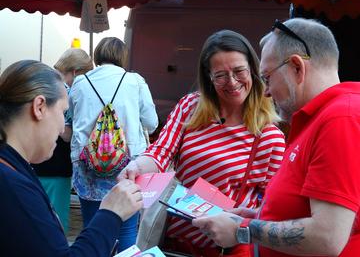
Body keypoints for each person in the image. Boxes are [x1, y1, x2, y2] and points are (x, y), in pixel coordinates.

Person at [192, 18, 360, 257]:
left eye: (267, 78)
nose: (267, 92)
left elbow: (327, 237)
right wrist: (261, 215)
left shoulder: (340, 119)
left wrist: (244, 230)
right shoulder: (324, 118)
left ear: (296, 67)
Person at [120, 29, 286, 256]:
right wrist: (136, 166)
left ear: (253, 71)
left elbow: (271, 207)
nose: (232, 82)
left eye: (239, 71)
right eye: (220, 75)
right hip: (172, 242)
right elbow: (161, 151)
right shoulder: (191, 107)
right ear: (208, 77)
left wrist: (242, 223)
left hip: (224, 249)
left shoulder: (269, 137)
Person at [0, 60, 143, 256]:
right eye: (63, 112)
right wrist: (110, 214)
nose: (62, 128)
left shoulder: (12, 168)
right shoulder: (12, 186)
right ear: (39, 107)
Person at [69, 37, 158, 251]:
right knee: (127, 229)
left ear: (98, 55)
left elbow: (72, 117)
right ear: (122, 57)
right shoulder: (135, 81)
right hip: (127, 166)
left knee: (92, 227)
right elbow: (152, 123)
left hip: (87, 164)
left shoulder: (81, 82)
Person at [31, 48, 93, 233]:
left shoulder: (41, 80)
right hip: (57, 167)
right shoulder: (64, 90)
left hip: (33, 163)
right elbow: (65, 133)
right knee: (54, 226)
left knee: (34, 223)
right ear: (75, 71)